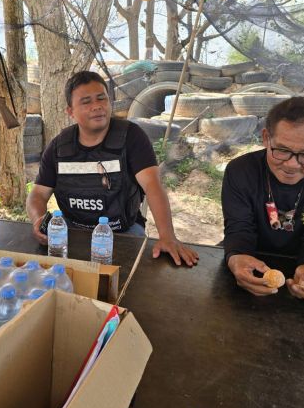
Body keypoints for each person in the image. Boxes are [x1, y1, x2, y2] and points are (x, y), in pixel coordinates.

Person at [26, 71, 198, 266]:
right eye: (86, 101)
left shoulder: (132, 137)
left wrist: (167, 236)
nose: (97, 106)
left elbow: (153, 186)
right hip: (72, 230)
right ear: (70, 111)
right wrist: (38, 219)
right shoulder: (58, 147)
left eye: (101, 98)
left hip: (123, 231)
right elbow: (37, 194)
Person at [222, 96, 304, 300]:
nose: (292, 165)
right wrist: (237, 257)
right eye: (282, 150)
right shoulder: (241, 171)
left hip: (302, 269)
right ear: (266, 138)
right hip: (247, 260)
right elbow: (239, 227)